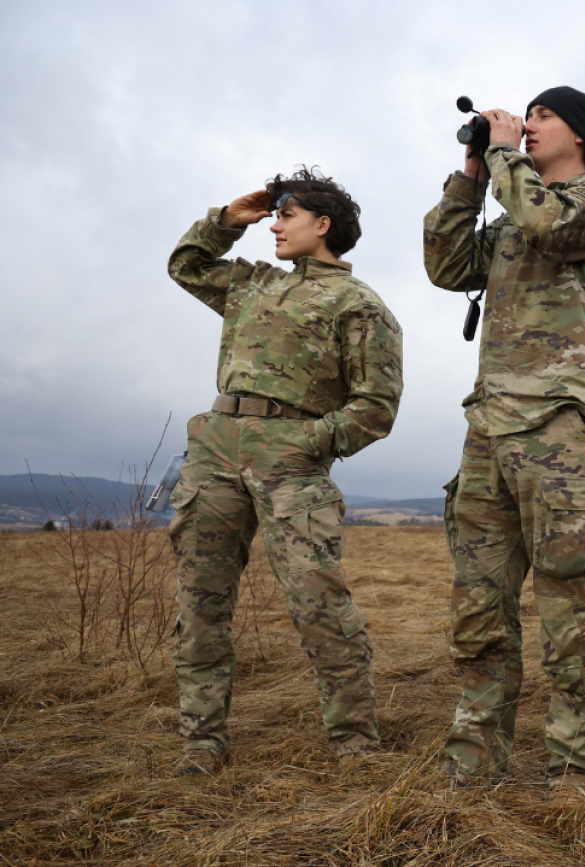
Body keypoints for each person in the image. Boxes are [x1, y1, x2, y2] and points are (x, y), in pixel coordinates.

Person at [423, 86, 585, 794]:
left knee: (572, 615)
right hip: (489, 430)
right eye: (528, 116)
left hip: (563, 431)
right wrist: (470, 178)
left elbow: (550, 225)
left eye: (542, 115)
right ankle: (474, 765)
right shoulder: (513, 211)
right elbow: (447, 266)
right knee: (480, 611)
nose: (528, 123)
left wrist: (507, 152)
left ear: (581, 133)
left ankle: (577, 774)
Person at [166, 168, 403, 775]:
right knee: (201, 602)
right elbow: (185, 266)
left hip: (290, 462)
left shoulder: (360, 304)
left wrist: (306, 442)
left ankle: (354, 741)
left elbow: (375, 408)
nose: (274, 225)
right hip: (215, 451)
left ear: (322, 225)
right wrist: (226, 220)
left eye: (286, 215)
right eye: (274, 215)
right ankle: (201, 741)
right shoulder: (251, 284)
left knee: (319, 602)